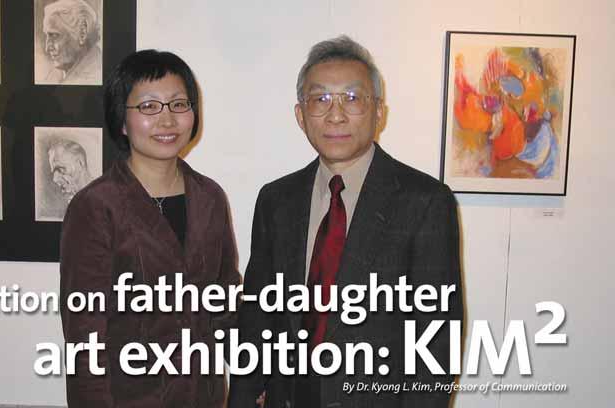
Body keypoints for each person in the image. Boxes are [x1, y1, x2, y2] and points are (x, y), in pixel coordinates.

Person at [229, 36, 463, 408]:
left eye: (352, 98)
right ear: (300, 115)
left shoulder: (425, 201)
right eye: (320, 99)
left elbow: (436, 342)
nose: (335, 115)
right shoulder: (276, 200)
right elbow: (257, 318)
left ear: (379, 112)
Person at [59, 50, 241, 407]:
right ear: (122, 121)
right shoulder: (96, 207)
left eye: (178, 104)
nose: (167, 119)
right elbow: (85, 335)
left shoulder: (210, 197)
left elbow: (226, 303)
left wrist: (253, 378)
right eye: (148, 106)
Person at [42, 0, 102, 84]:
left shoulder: (94, 75)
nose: (47, 48)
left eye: (55, 35)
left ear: (82, 33)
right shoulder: (55, 76)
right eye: (47, 36)